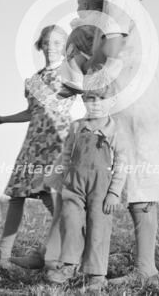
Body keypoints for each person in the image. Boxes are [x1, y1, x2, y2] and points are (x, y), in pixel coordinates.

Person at [71, 0, 159, 287]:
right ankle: (142, 268)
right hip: (138, 95)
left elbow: (113, 49)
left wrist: (85, 54)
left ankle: (145, 270)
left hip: (128, 98)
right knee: (135, 180)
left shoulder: (116, 0)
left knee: (134, 179)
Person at [0, 25, 75, 269]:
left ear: (66, 47)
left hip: (57, 140)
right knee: (17, 194)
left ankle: (66, 250)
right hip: (33, 141)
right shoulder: (34, 80)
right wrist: (5, 118)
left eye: (58, 43)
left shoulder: (71, 72)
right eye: (48, 42)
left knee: (52, 196)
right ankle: (3, 254)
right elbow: (32, 112)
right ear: (41, 45)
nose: (52, 47)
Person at [45, 77, 129, 291]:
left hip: (101, 188)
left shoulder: (114, 130)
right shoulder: (77, 127)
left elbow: (122, 162)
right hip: (74, 185)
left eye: (101, 99)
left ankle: (96, 274)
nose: (95, 104)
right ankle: (69, 264)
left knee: (98, 227)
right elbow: (66, 154)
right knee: (70, 222)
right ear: (83, 101)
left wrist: (114, 193)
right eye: (90, 99)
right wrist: (62, 177)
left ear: (111, 102)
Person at [60, 0, 103, 93]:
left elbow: (91, 24)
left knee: (71, 57)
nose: (78, 9)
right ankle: (76, 81)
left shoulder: (97, 14)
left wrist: (78, 23)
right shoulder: (92, 18)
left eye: (79, 5)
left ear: (85, 6)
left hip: (91, 46)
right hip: (85, 50)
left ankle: (76, 80)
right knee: (71, 61)